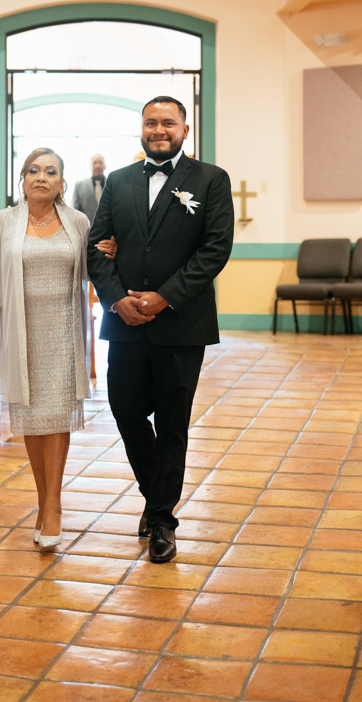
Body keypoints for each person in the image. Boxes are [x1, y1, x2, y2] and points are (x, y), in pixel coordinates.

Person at [87, 96, 234, 563]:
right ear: (141, 129)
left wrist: (165, 296)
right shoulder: (119, 180)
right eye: (150, 122)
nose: (158, 129)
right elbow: (96, 247)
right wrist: (116, 299)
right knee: (126, 411)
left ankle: (162, 521)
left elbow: (214, 249)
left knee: (172, 423)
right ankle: (157, 500)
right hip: (124, 320)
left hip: (180, 322)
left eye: (168, 122)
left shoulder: (211, 179)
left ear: (184, 130)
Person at [0, 148, 116, 547]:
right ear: (22, 179)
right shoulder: (4, 222)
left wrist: (113, 254)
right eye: (33, 170)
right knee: (31, 416)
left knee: (56, 415)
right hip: (19, 329)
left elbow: (93, 270)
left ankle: (52, 505)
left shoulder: (77, 221)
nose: (41, 177)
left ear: (62, 182)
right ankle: (43, 499)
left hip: (64, 329)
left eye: (50, 172)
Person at [71, 154, 107, 224]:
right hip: (86, 230)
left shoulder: (112, 184)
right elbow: (74, 211)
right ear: (90, 167)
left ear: (105, 166)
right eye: (95, 163)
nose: (98, 166)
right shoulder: (79, 186)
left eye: (100, 162)